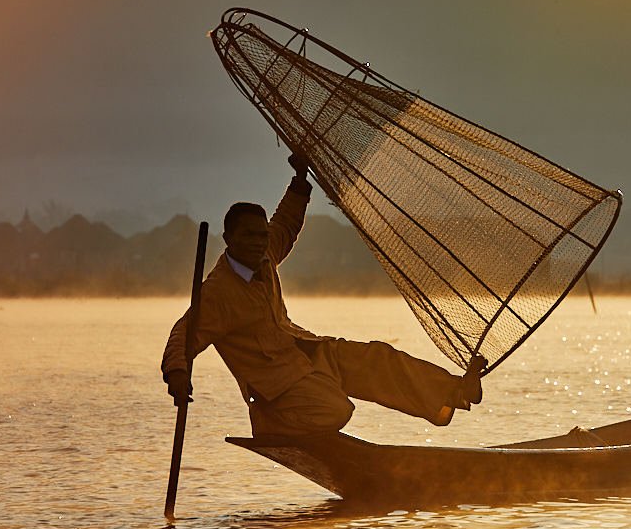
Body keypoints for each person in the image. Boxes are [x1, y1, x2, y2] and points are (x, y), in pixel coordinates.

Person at [162, 153, 486, 436]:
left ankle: (457, 391)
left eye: (261, 235)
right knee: (336, 409)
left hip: (306, 352)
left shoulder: (264, 255)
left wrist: (300, 181)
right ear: (229, 238)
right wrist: (177, 374)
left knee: (377, 358)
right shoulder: (218, 292)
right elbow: (184, 334)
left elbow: (285, 225)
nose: (258, 242)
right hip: (278, 387)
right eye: (249, 236)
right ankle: (270, 421)